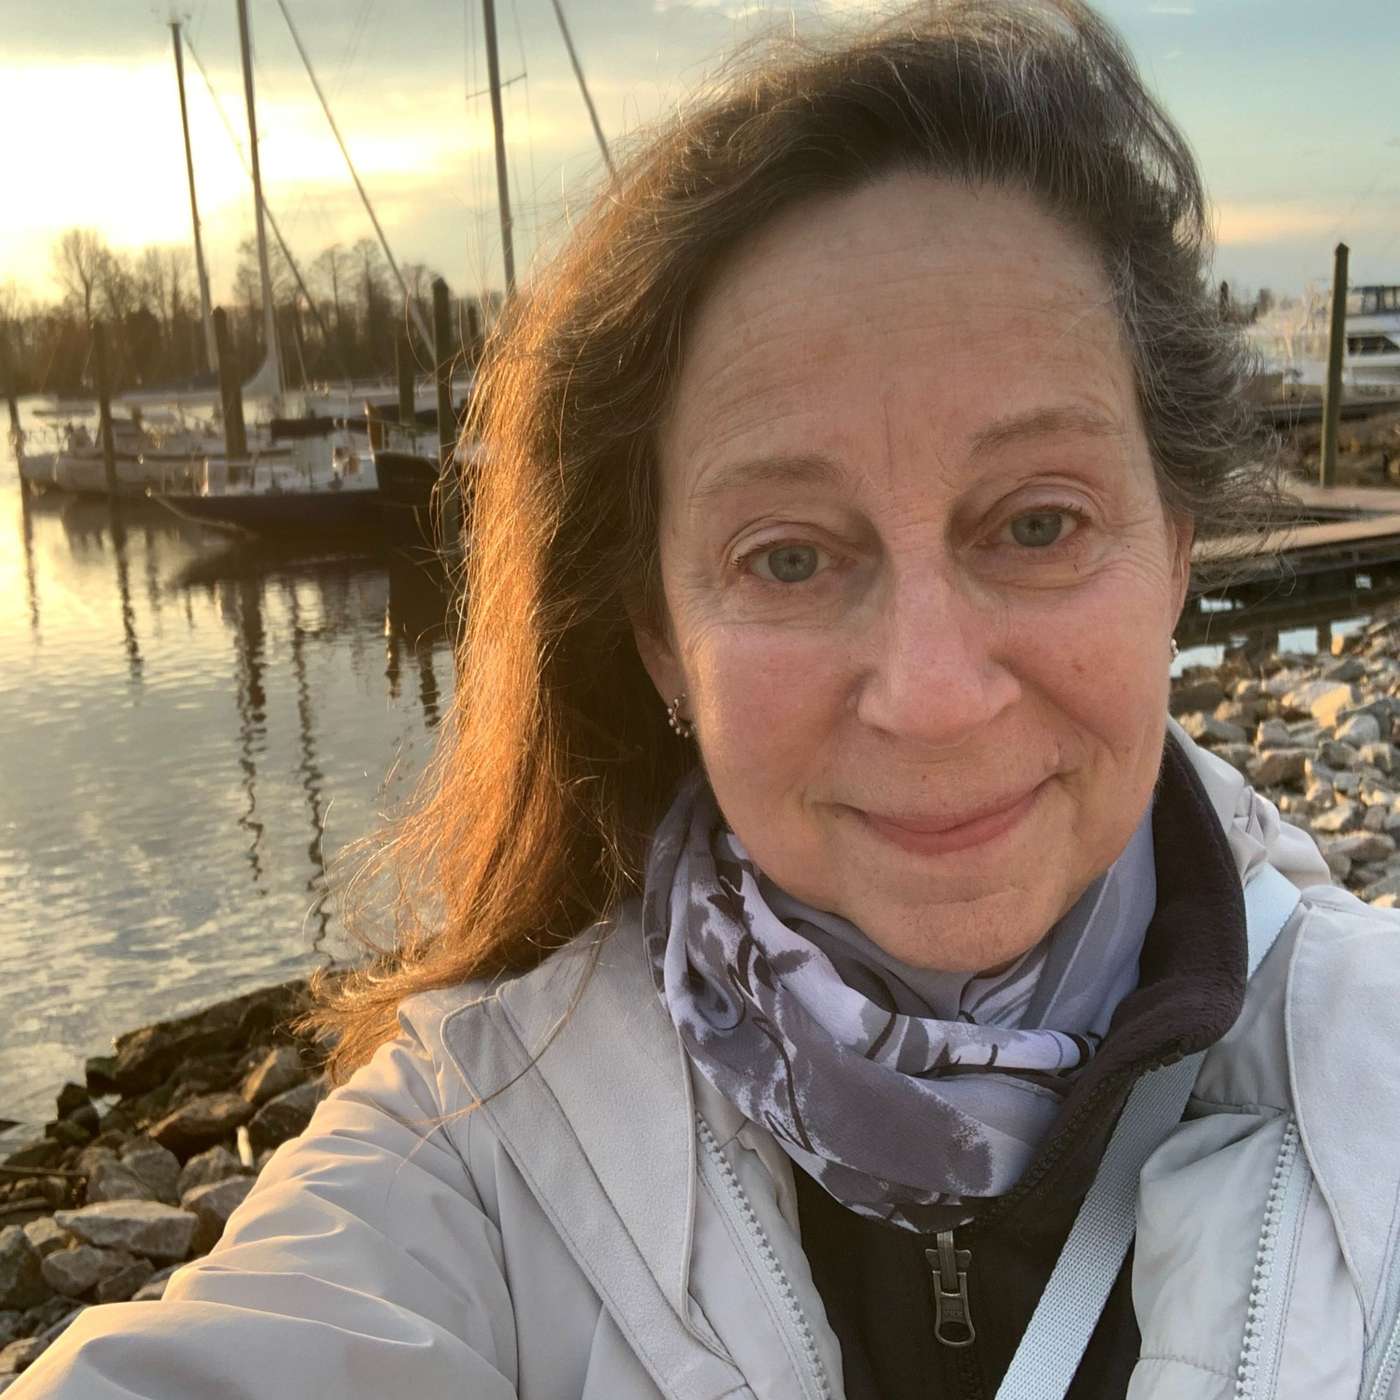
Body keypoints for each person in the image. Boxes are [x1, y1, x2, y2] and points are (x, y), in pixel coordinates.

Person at [17, 2, 1400, 1396]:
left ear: (1175, 550)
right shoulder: (479, 1146)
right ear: (663, 638)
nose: (932, 697)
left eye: (1038, 525)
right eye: (788, 557)